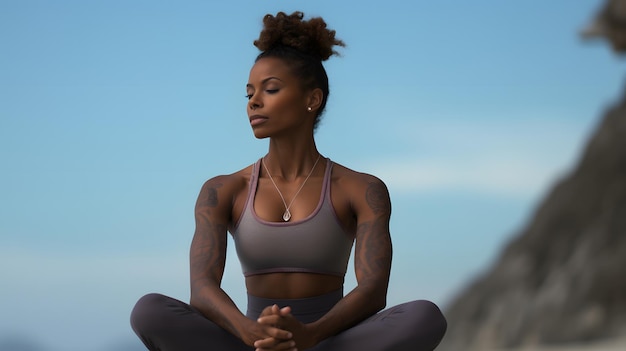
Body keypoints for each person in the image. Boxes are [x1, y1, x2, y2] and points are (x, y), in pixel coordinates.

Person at [130, 11, 447, 351]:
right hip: (249, 342)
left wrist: (310, 335)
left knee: (425, 316)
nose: (254, 101)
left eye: (271, 89)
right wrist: (251, 333)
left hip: (327, 342)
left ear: (312, 99)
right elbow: (202, 288)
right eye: (249, 92)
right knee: (149, 311)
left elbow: (372, 291)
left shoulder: (361, 189)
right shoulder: (223, 191)